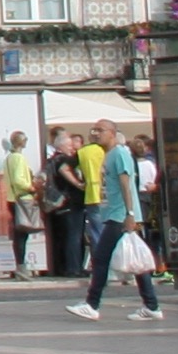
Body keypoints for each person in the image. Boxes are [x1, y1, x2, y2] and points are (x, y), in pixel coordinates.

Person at [68, 119, 162, 323]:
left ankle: (92, 304)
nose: (95, 134)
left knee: (100, 258)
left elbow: (125, 184)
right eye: (93, 130)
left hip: (120, 215)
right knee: (136, 262)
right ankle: (151, 305)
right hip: (115, 213)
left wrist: (130, 214)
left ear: (112, 133)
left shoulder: (119, 154)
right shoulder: (109, 155)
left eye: (100, 130)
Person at [43, 132, 88, 277]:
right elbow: (65, 170)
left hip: (59, 204)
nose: (72, 149)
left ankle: (62, 267)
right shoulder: (64, 160)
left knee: (63, 237)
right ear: (61, 147)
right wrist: (79, 184)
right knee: (74, 236)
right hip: (71, 202)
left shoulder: (51, 160)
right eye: (69, 146)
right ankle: (74, 268)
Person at [0, 130, 41, 275]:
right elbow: (18, 179)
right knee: (22, 233)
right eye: (25, 139)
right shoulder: (18, 158)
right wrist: (31, 187)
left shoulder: (9, 158)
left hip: (13, 198)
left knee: (20, 233)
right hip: (22, 198)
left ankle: (20, 265)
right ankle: (21, 266)